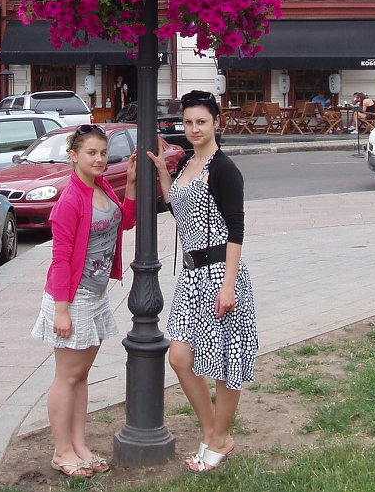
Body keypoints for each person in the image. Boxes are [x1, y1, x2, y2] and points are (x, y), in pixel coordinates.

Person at [148, 90, 257, 473]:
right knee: (180, 357)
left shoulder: (224, 169)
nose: (194, 129)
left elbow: (236, 230)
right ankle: (215, 433)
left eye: (201, 122)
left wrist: (227, 286)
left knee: (227, 360)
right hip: (190, 278)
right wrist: (164, 174)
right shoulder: (187, 165)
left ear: (216, 123)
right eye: (189, 122)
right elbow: (179, 209)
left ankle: (216, 438)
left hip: (219, 273)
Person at [31, 124, 137, 478]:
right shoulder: (71, 199)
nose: (100, 159)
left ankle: (79, 445)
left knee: (81, 375)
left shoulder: (102, 187)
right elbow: (60, 258)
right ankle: (62, 451)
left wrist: (133, 184)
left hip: (94, 295)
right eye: (91, 153)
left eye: (103, 153)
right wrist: (61, 311)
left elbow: (126, 221)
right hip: (72, 298)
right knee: (67, 376)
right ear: (73, 155)